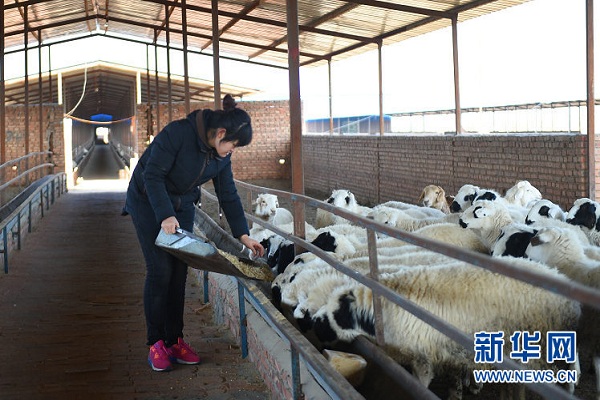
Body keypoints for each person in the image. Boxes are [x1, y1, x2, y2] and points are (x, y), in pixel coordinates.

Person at [122, 94, 264, 372]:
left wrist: (242, 235)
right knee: (160, 270)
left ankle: (174, 340)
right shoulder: (178, 134)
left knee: (178, 272)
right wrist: (164, 215)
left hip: (182, 205)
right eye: (233, 145)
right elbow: (152, 175)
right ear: (221, 133)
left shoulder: (221, 156)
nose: (231, 150)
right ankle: (156, 343)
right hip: (148, 202)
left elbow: (228, 193)